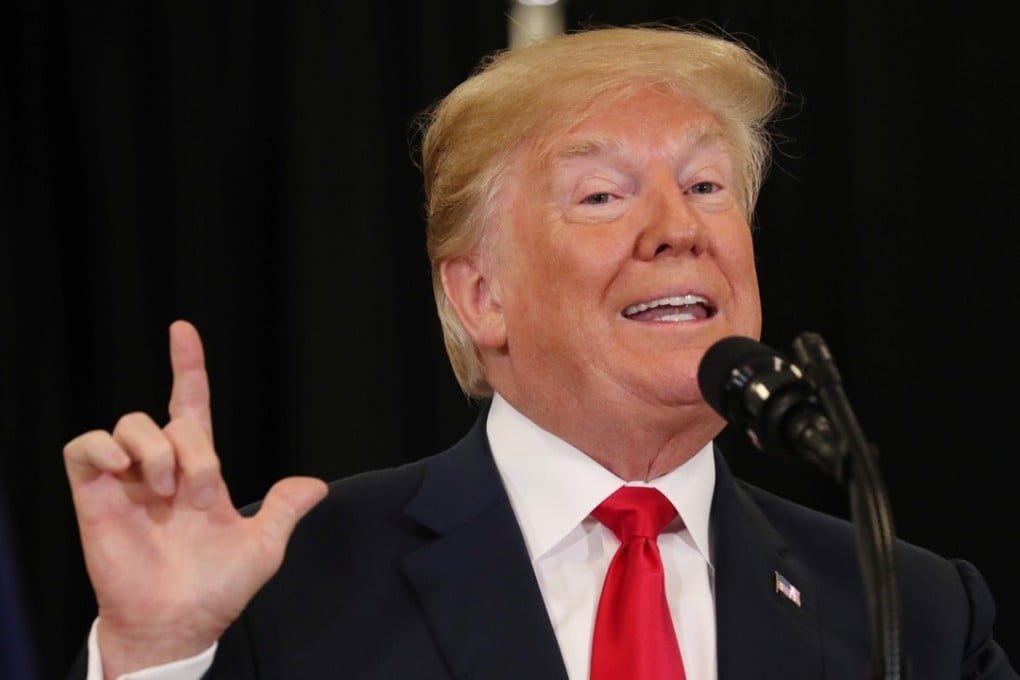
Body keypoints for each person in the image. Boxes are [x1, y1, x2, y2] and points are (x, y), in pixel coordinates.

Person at [64, 23, 1016, 680]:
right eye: (602, 195)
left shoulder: (913, 608)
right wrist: (158, 653)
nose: (677, 228)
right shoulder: (290, 587)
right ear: (481, 296)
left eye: (707, 185)